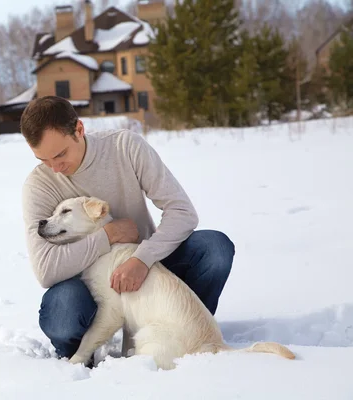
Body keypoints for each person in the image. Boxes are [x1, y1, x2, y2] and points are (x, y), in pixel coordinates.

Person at [20, 96, 235, 363]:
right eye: (43, 159)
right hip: (87, 282)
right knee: (62, 309)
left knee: (214, 248)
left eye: (60, 154)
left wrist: (142, 259)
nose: (55, 168)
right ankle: (78, 358)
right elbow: (45, 270)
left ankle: (188, 336)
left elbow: (182, 212)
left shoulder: (124, 147)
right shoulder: (39, 186)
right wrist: (108, 235)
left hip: (148, 270)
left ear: (79, 130)